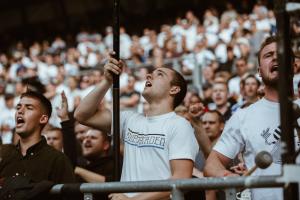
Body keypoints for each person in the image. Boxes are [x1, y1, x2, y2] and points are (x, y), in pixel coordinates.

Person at [74, 54, 199, 199]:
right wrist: (107, 81)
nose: (149, 76)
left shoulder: (179, 125)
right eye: (150, 74)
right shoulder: (129, 119)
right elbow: (82, 115)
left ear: (174, 89)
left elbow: (181, 179)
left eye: (159, 74)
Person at [204, 35, 299, 200]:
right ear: (259, 71)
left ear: (294, 66)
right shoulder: (243, 116)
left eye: (280, 54)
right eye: (268, 55)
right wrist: (227, 175)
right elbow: (212, 164)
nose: (275, 57)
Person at [0, 90, 75, 184]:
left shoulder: (57, 160)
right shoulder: (3, 153)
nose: (20, 111)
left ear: (43, 119)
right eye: (18, 107)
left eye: (29, 108)